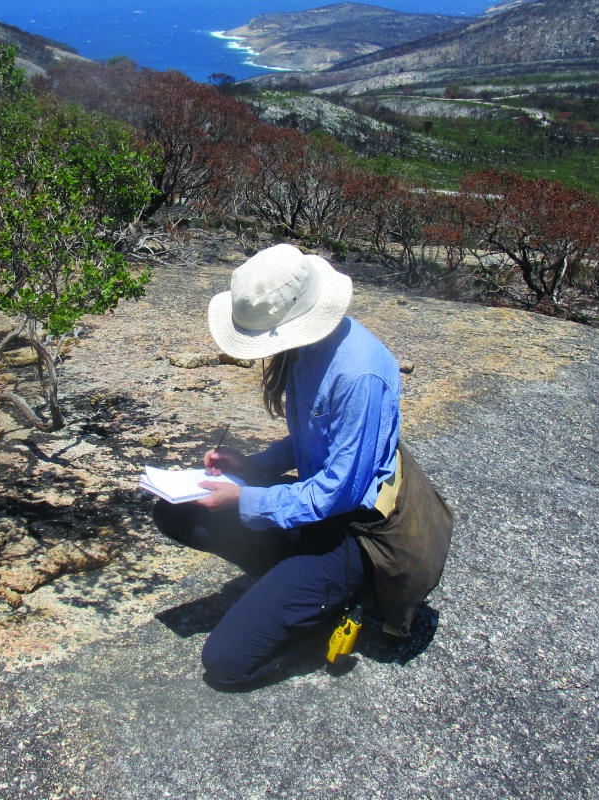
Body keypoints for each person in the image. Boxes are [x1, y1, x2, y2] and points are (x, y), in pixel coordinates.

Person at [153, 243, 453, 690]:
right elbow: (311, 440)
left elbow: (340, 492)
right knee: (176, 510)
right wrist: (253, 465)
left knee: (226, 663)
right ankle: (293, 586)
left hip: (357, 532)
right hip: (322, 507)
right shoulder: (307, 349)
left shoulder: (359, 375)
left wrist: (247, 497)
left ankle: (324, 609)